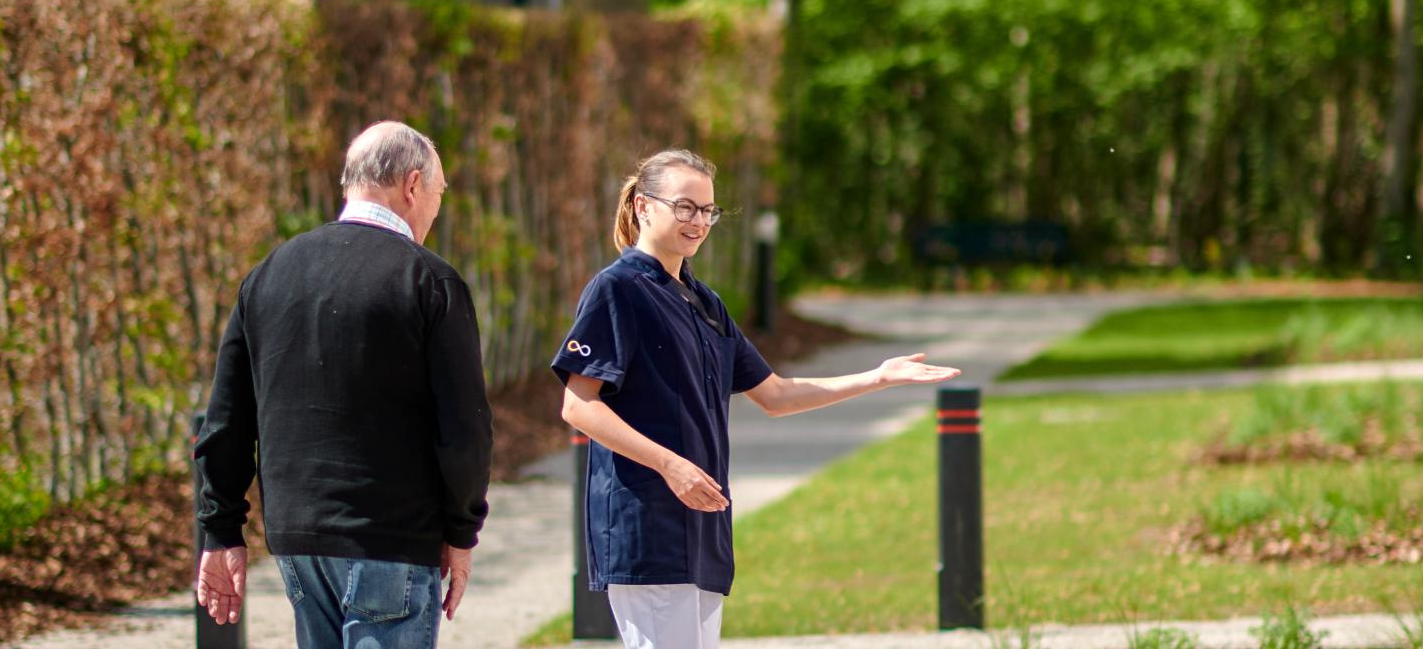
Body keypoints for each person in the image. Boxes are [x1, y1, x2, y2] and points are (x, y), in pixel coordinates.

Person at [554, 148, 959, 649]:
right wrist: (670, 466)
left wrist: (877, 377)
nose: (698, 222)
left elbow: (776, 394)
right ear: (643, 206)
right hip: (648, 528)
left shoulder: (704, 301)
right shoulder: (616, 290)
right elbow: (578, 405)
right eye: (684, 207)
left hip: (703, 529)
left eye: (708, 210)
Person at [193, 121, 493, 649]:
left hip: (297, 537)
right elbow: (464, 428)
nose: (436, 210)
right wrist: (461, 529)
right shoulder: (429, 280)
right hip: (391, 534)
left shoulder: (268, 275)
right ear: (413, 185)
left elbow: (227, 419)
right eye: (439, 194)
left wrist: (221, 531)